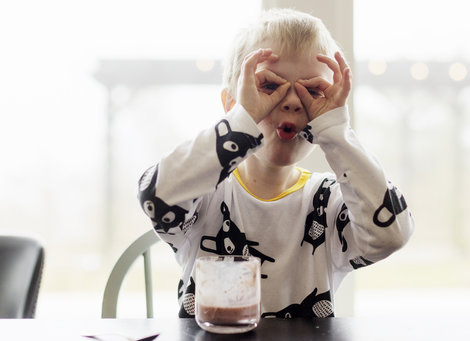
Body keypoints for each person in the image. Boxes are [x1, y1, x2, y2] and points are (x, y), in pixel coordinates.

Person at [137, 8, 414, 318]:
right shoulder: (204, 193)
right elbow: (156, 196)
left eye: (313, 91)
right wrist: (243, 120)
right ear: (231, 104)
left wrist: (335, 131)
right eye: (269, 86)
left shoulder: (330, 202)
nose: (293, 101)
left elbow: (391, 235)